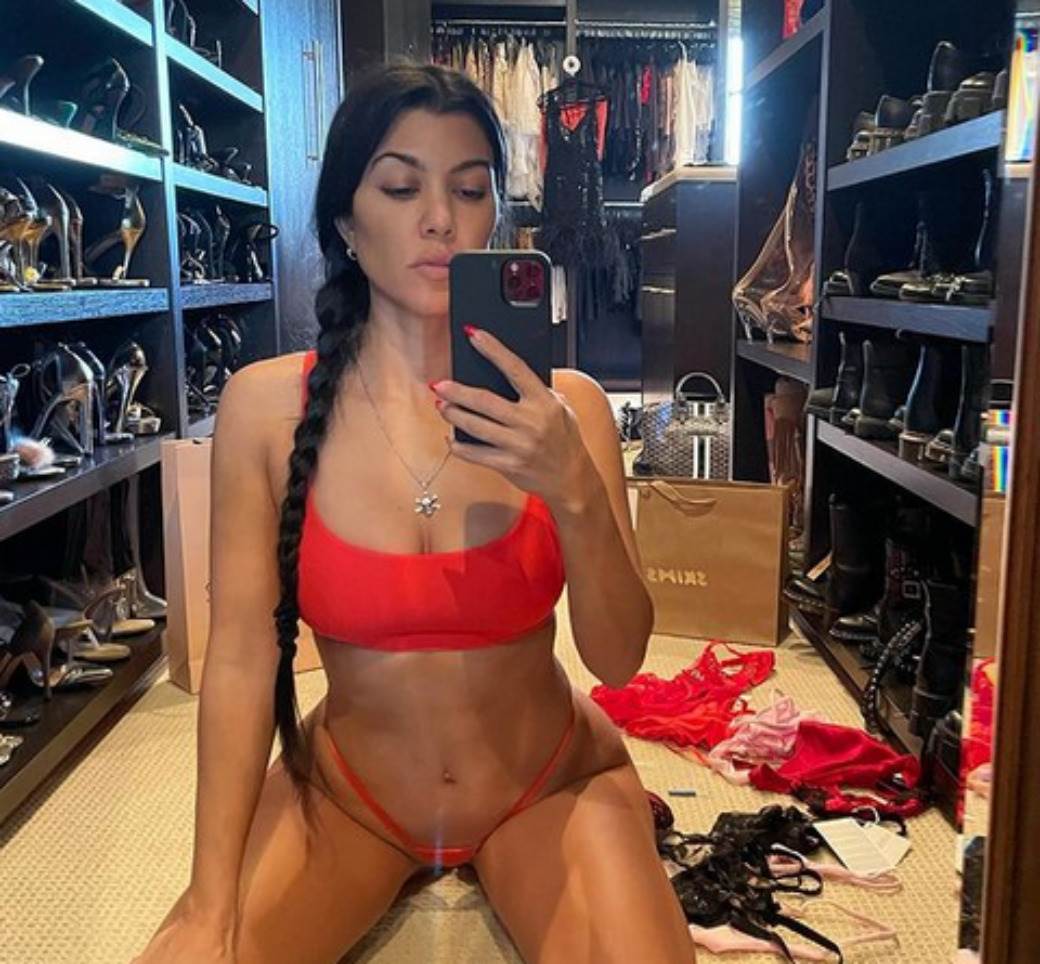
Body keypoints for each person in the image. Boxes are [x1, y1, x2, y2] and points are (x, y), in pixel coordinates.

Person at [134, 63, 695, 964]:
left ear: (494, 215)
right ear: (346, 223)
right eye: (401, 188)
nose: (439, 218)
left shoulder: (571, 408)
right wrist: (208, 900)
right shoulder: (266, 410)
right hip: (350, 797)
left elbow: (619, 659)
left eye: (469, 190)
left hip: (548, 784)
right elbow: (239, 657)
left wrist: (575, 490)